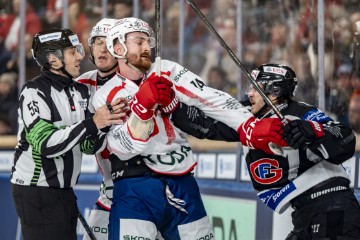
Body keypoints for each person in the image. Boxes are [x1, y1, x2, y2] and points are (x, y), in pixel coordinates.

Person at [92, 17, 288, 240]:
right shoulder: (104, 95)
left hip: (182, 183)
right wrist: (142, 108)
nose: (147, 47)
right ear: (118, 47)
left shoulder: (166, 69)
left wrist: (249, 125)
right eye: (139, 42)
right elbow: (121, 147)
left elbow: (211, 99)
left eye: (148, 41)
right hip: (135, 188)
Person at [171, 63, 360, 240]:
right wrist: (171, 106)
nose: (250, 94)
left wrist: (314, 131)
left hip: (333, 206)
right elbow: (205, 124)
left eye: (255, 88)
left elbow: (345, 137)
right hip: (305, 214)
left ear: (274, 92)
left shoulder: (300, 112)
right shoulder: (247, 119)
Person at [10, 28, 126, 240]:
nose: (81, 56)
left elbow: (88, 146)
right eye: (73, 52)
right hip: (37, 190)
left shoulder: (80, 91)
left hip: (64, 190)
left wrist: (107, 121)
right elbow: (46, 145)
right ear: (54, 59)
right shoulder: (33, 91)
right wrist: (93, 123)